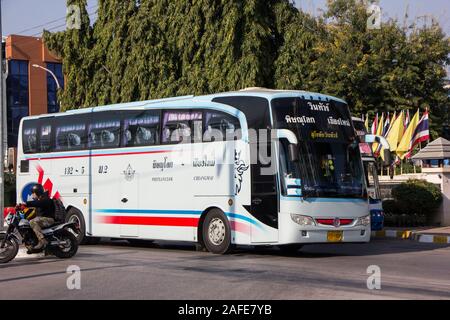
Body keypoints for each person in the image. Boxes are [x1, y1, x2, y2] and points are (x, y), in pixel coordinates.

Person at [26, 184, 55, 250]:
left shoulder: (45, 199)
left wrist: (26, 204)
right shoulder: (41, 199)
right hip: (43, 219)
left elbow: (37, 203)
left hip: (49, 220)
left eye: (33, 193)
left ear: (37, 192)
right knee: (28, 222)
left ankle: (42, 240)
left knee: (32, 222)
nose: (32, 195)